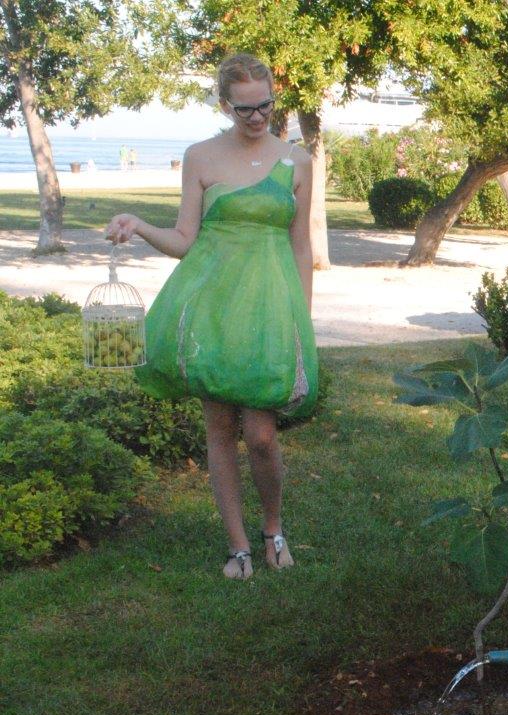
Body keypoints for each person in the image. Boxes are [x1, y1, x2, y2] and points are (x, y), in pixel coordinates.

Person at [104, 53, 317, 580]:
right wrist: (139, 225)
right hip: (211, 306)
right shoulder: (200, 156)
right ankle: (239, 546)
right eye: (244, 109)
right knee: (220, 428)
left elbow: (301, 247)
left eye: (265, 104)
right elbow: (184, 241)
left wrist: (301, 321)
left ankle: (274, 527)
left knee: (263, 436)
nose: (256, 116)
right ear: (225, 105)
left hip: (270, 308)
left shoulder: (298, 161)